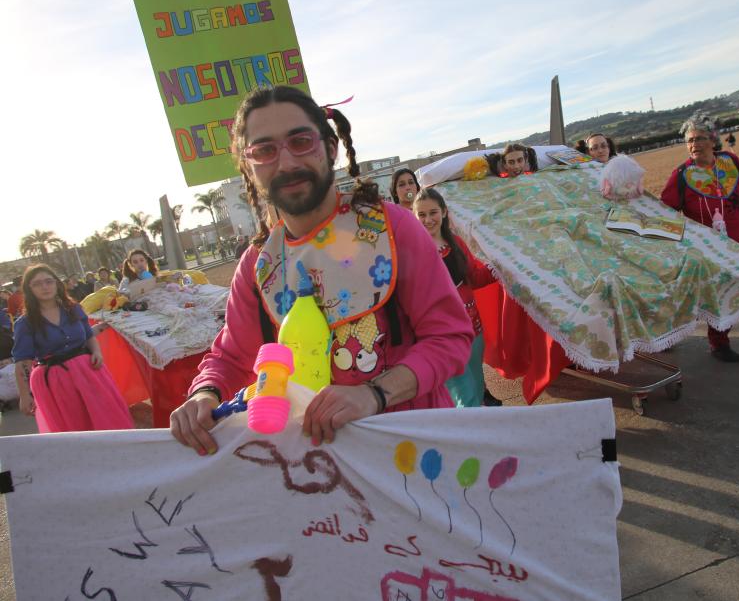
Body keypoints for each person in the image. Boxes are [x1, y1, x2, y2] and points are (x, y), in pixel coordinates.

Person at [170, 85, 473, 455]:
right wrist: (205, 392)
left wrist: (374, 394)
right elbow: (231, 355)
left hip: (408, 449)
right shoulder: (258, 266)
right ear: (249, 166)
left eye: (300, 142)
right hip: (313, 466)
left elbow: (450, 338)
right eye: (264, 150)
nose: (286, 163)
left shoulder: (392, 229)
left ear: (330, 148)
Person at [660, 111, 739, 362]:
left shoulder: (731, 162)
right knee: (719, 296)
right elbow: (665, 211)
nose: (694, 144)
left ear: (713, 140)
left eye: (699, 138)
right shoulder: (681, 175)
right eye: (689, 140)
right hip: (711, 251)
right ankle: (719, 344)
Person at [11, 264, 134, 432]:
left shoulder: (74, 309)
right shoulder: (24, 323)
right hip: (55, 381)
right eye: (37, 284)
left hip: (88, 372)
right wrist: (25, 395)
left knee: (107, 419)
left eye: (49, 281)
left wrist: (97, 352)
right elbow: (23, 361)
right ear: (29, 289)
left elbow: (88, 336)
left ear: (56, 284)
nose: (45, 287)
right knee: (75, 427)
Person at [413, 188, 502, 407]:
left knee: (478, 387)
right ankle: (472, 438)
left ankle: (475, 434)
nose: (428, 219)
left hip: (472, 329)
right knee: (466, 396)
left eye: (433, 212)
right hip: (442, 336)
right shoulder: (412, 250)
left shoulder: (456, 243)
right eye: (421, 215)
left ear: (443, 212)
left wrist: (500, 266)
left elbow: (475, 278)